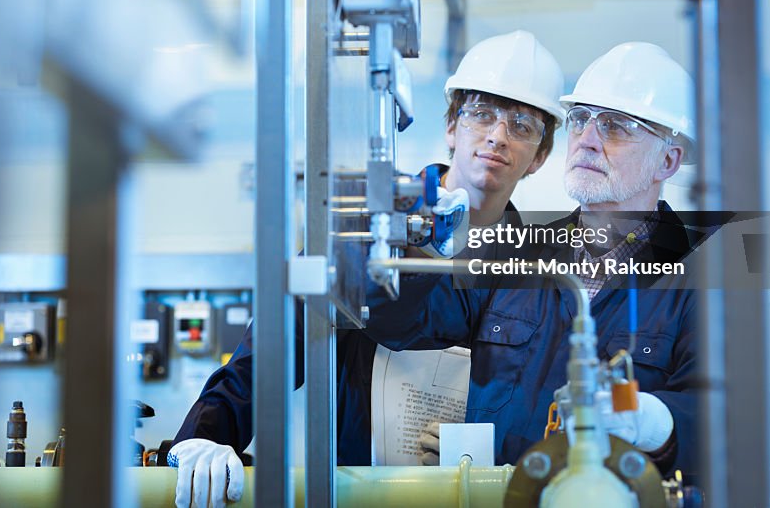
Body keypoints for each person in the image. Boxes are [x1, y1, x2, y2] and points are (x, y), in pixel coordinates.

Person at [169, 30, 565, 508]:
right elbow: (273, 348)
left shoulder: (544, 277)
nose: (497, 136)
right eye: (481, 114)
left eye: (522, 126)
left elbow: (544, 411)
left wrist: (498, 452)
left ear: (540, 157)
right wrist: (206, 434)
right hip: (356, 495)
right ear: (451, 128)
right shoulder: (366, 228)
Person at [369, 42, 702, 477]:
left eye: (617, 126)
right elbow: (399, 325)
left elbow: (717, 421)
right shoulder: (515, 252)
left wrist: (652, 420)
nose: (587, 141)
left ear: (669, 160)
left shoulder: (699, 283)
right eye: (581, 120)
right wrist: (404, 237)